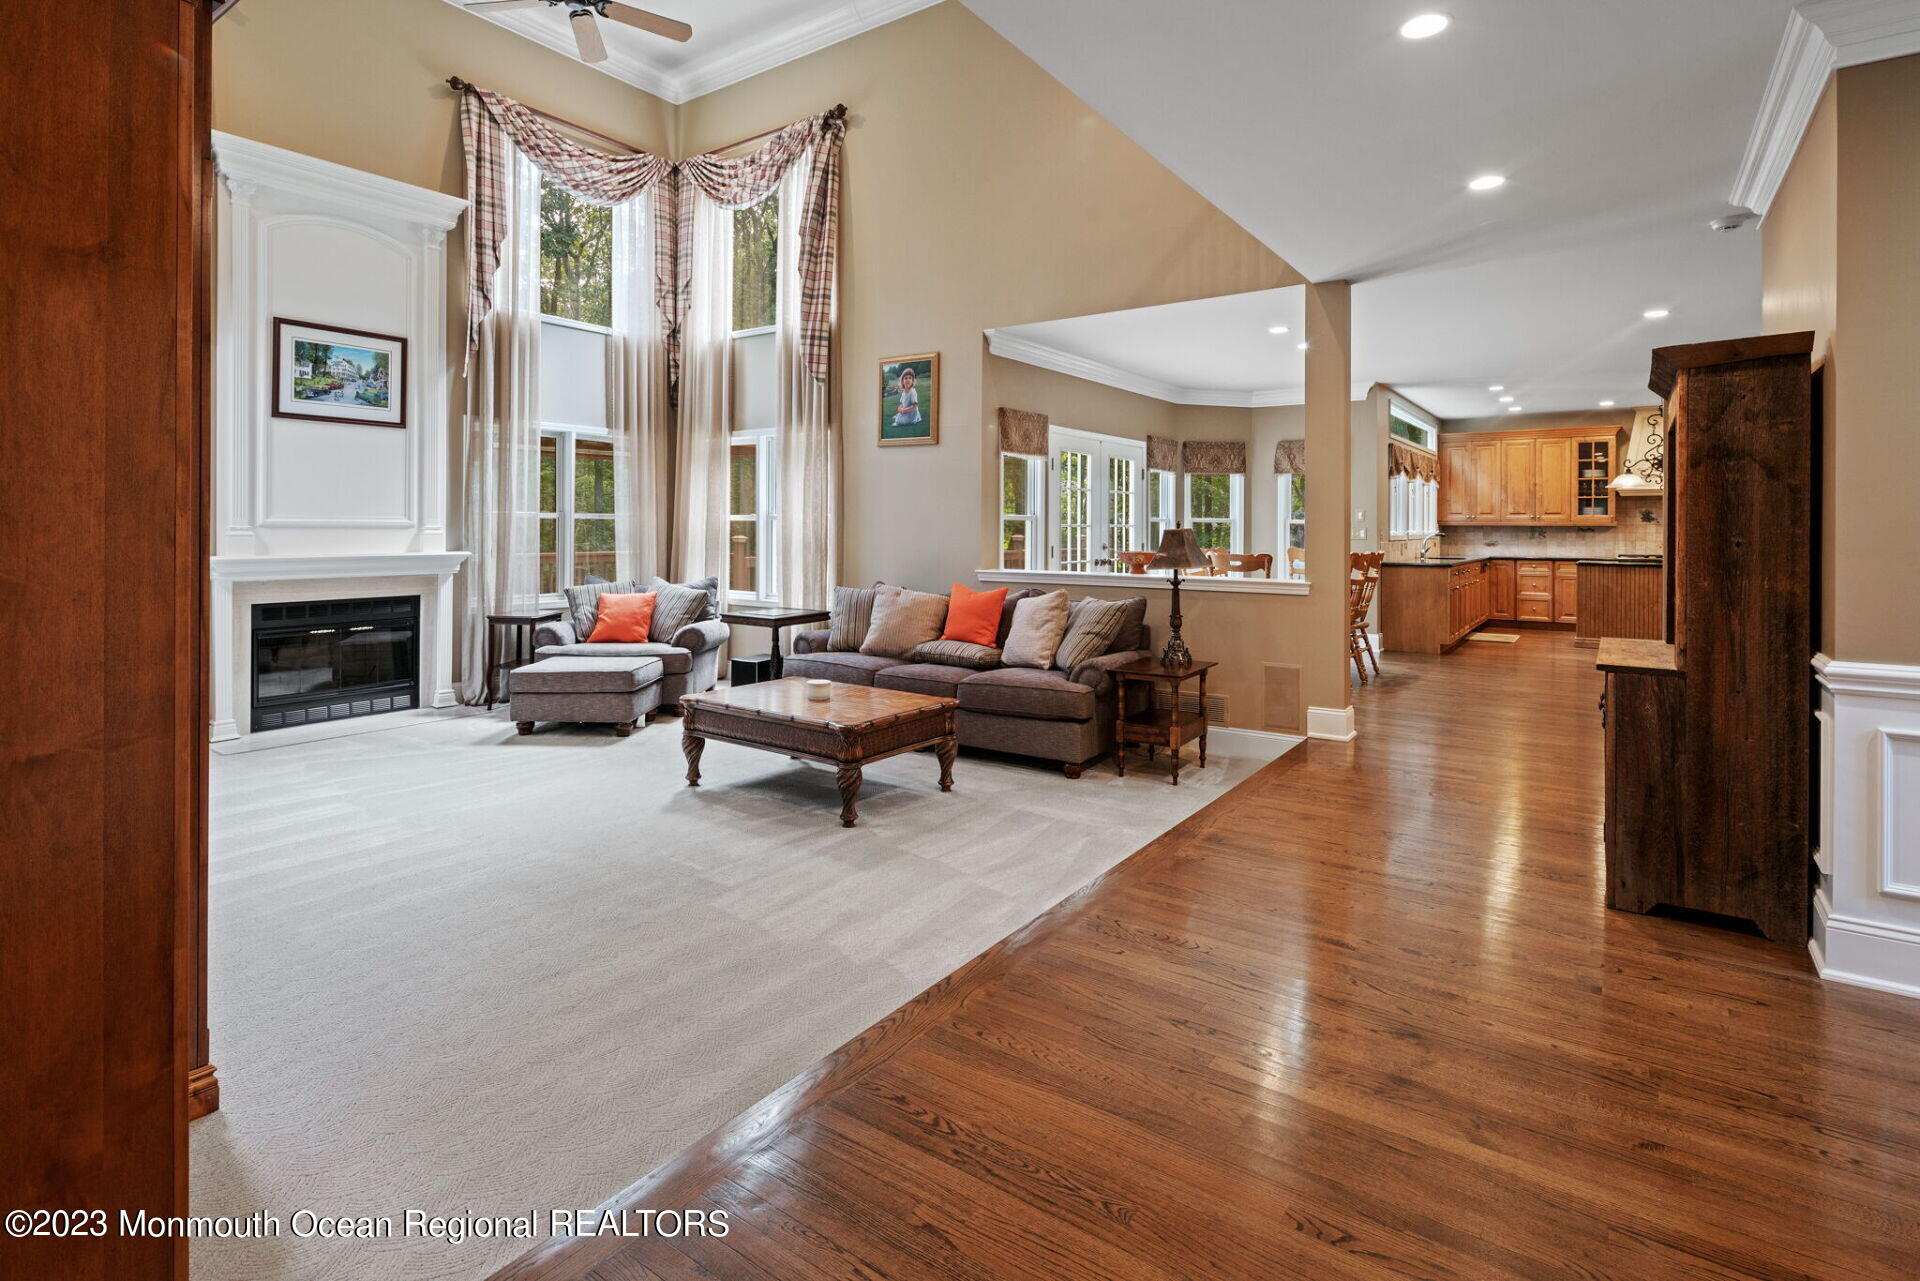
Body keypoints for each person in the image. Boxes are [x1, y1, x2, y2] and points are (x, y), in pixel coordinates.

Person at [892, 365, 923, 431]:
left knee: (900, 421)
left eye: (910, 378)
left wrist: (905, 410)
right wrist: (899, 408)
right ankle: (899, 417)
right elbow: (902, 403)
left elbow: (914, 406)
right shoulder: (904, 392)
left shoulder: (912, 392)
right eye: (906, 378)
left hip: (911, 412)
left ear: (912, 381)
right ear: (902, 381)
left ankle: (902, 420)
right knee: (899, 415)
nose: (908, 380)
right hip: (906, 410)